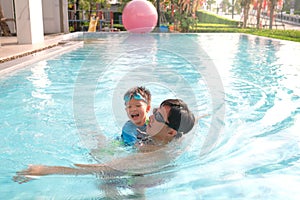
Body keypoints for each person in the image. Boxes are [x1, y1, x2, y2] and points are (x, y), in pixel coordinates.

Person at [14, 99, 195, 182]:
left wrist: (45, 170)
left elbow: (102, 170)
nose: (151, 117)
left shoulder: (153, 156)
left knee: (106, 179)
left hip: (136, 175)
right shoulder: (172, 135)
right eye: (154, 110)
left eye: (158, 116)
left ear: (171, 132)